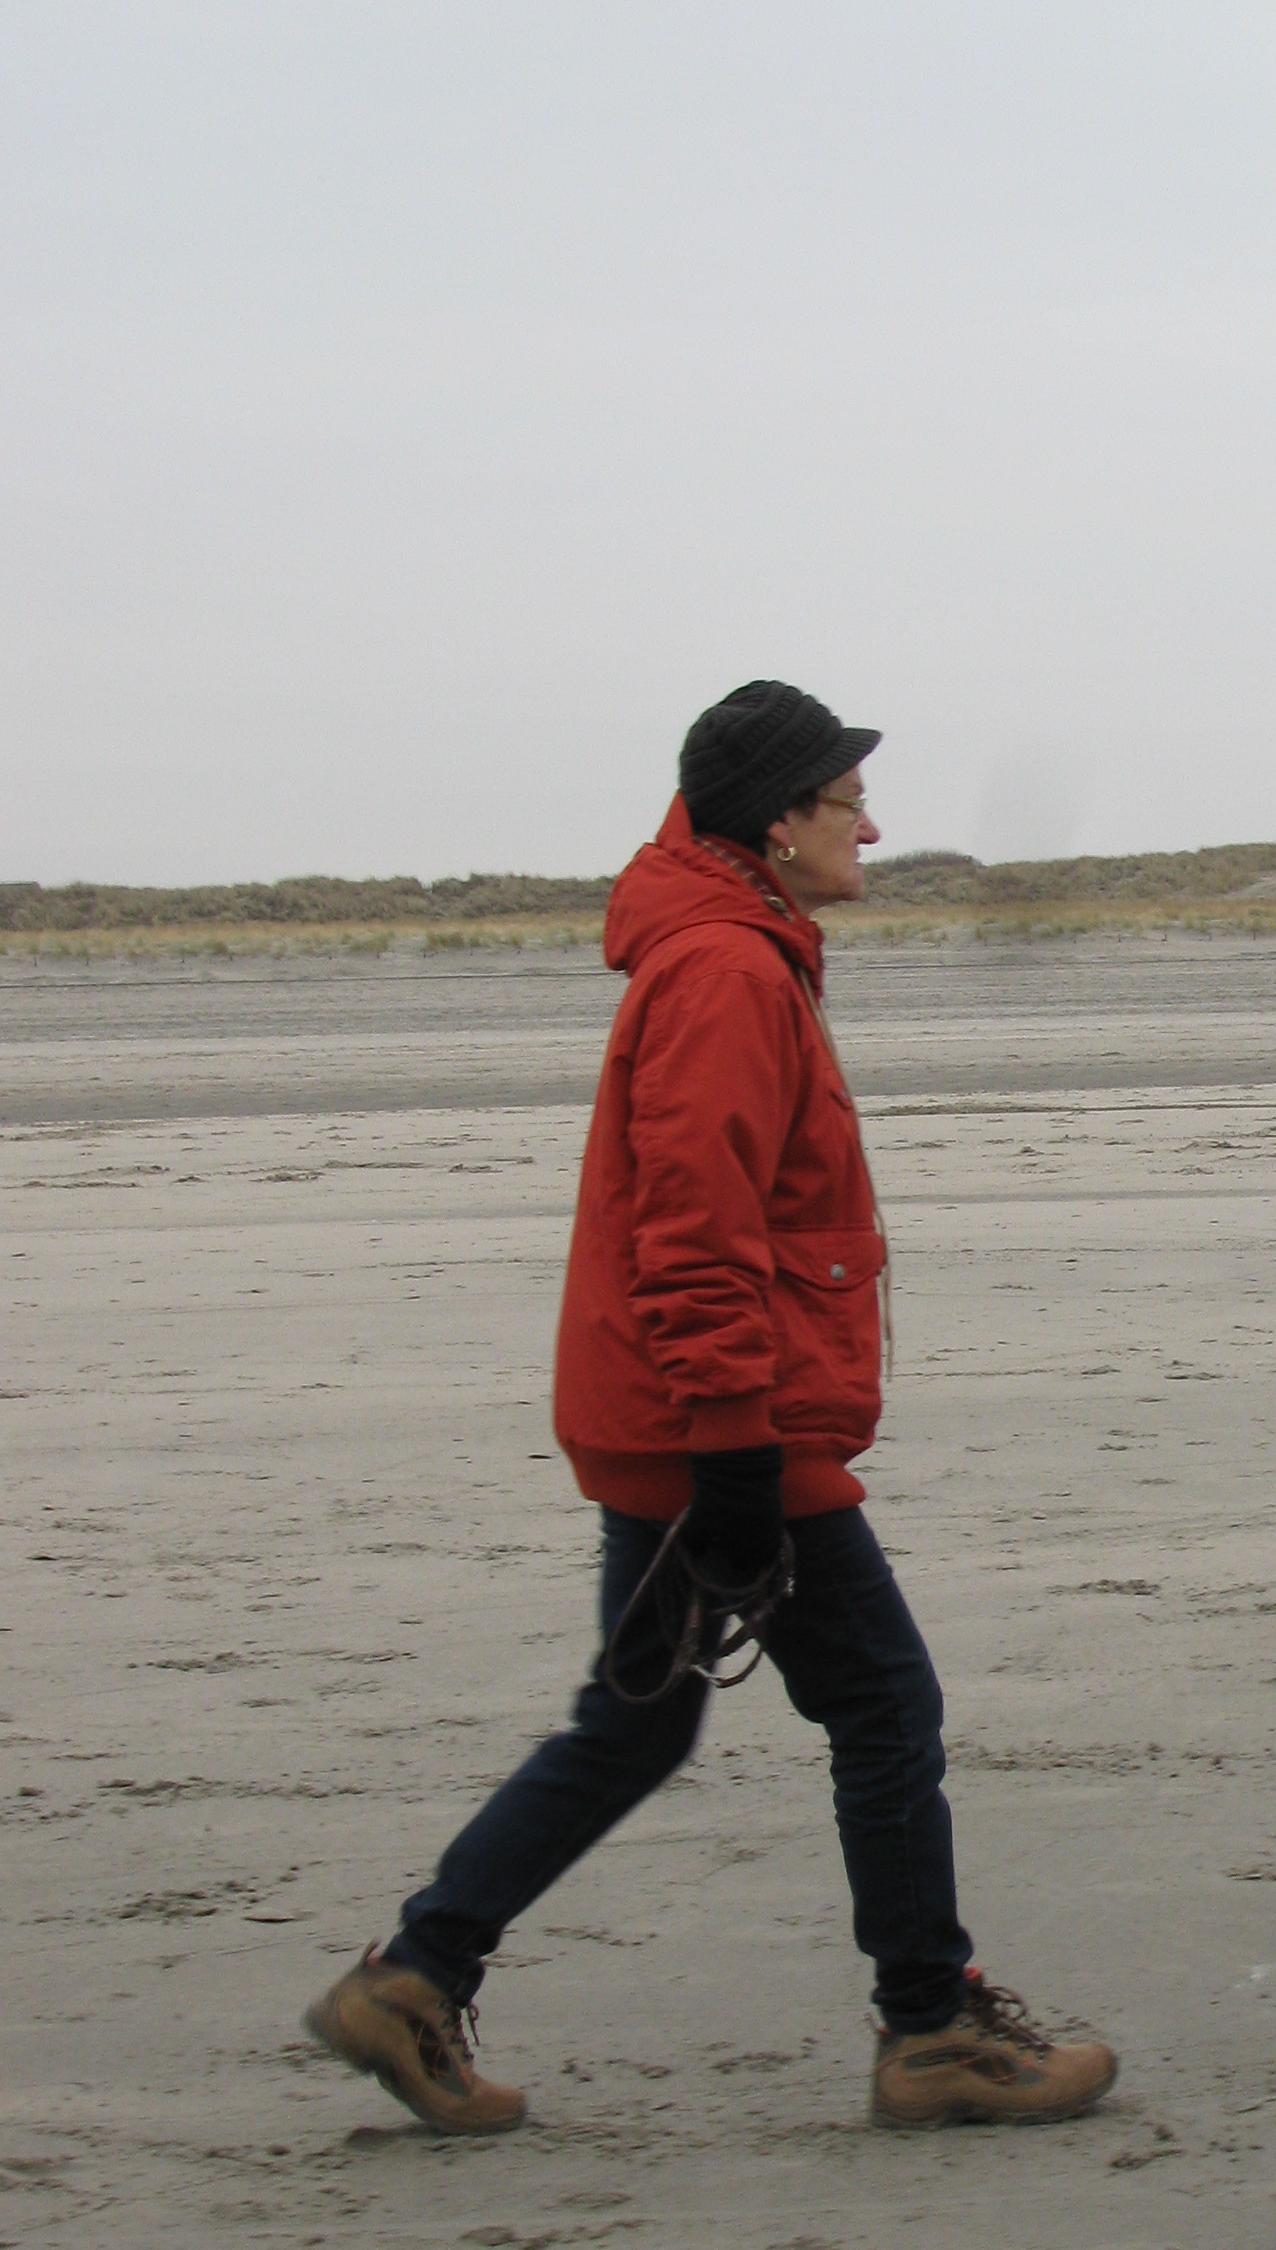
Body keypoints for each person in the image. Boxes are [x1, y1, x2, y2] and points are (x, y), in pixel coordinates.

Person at [306, 679, 1117, 2137]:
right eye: (847, 797)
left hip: (687, 1421)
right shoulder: (728, 973)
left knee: (635, 1724)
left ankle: (416, 1977)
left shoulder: (734, 953)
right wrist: (739, 1451)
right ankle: (930, 2028)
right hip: (721, 1430)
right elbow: (692, 1229)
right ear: (777, 820)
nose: (871, 823)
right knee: (883, 1704)